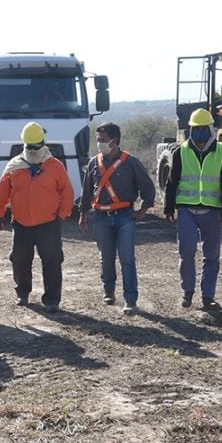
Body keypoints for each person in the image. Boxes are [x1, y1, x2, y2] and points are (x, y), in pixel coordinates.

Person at [0, 122, 73, 313]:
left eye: (36, 146)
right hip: (21, 224)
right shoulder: (14, 166)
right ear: (24, 144)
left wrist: (62, 215)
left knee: (52, 260)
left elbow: (67, 192)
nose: (33, 150)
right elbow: (2, 191)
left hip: (49, 223)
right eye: (30, 147)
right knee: (20, 259)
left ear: (43, 143)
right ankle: (23, 293)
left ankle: (52, 299)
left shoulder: (55, 166)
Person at [78, 122, 156, 315]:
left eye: (103, 140)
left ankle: (130, 299)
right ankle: (109, 291)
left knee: (127, 259)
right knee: (106, 258)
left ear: (115, 141)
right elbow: (87, 190)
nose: (99, 144)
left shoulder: (131, 162)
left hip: (125, 218)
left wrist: (143, 210)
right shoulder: (93, 163)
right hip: (101, 218)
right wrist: (82, 214)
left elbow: (148, 188)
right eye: (98, 140)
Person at [163, 108, 222, 310]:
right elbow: (172, 182)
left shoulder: (221, 151)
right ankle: (188, 292)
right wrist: (169, 207)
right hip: (186, 210)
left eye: (204, 129)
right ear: (190, 130)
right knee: (186, 252)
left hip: (212, 212)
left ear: (211, 129)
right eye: (196, 129)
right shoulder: (180, 152)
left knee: (212, 256)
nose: (200, 133)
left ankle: (208, 296)